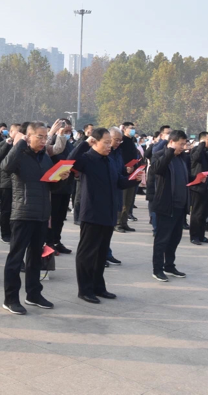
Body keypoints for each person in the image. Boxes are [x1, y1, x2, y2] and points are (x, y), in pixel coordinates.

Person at [0, 122, 63, 315]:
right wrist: (19, 143)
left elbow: (51, 187)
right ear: (28, 137)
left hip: (42, 214)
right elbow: (5, 167)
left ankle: (34, 294)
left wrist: (61, 177)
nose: (44, 140)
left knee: (36, 257)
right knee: (16, 258)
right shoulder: (19, 155)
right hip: (23, 213)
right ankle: (10, 299)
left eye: (46, 137)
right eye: (40, 137)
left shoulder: (45, 158)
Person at [68, 127, 134, 302]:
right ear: (94, 142)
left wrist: (133, 179)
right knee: (87, 253)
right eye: (105, 143)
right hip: (92, 213)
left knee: (101, 253)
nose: (109, 146)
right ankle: (85, 289)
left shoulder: (109, 160)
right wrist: (84, 144)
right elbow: (69, 161)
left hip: (109, 212)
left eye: (110, 143)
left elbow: (118, 181)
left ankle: (98, 286)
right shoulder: (87, 159)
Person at [149, 130, 190, 282]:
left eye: (185, 144)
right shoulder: (159, 154)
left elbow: (185, 176)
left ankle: (169, 266)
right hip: (166, 204)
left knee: (175, 238)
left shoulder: (182, 158)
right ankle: (157, 269)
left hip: (180, 205)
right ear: (171, 142)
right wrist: (169, 152)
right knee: (162, 239)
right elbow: (157, 169)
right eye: (181, 144)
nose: (183, 147)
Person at [47, 119, 75, 253]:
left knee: (61, 217)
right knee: (52, 217)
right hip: (55, 186)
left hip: (67, 184)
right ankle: (49, 242)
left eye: (69, 131)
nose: (68, 133)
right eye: (65, 131)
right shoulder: (52, 143)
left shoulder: (70, 144)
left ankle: (57, 240)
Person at [0, 123, 21, 243]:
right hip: (7, 181)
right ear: (10, 132)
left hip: (19, 182)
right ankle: (5, 233)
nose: (19, 134)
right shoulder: (4, 143)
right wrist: (8, 144)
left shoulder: (23, 145)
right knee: (6, 209)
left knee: (16, 210)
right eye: (17, 132)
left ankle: (14, 232)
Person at [116, 122, 141, 232]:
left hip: (132, 172)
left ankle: (124, 222)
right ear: (124, 129)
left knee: (129, 201)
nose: (133, 130)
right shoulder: (122, 141)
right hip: (124, 173)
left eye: (133, 128)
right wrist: (125, 167)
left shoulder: (132, 141)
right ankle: (117, 223)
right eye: (130, 128)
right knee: (122, 200)